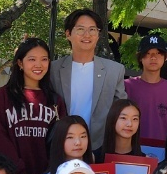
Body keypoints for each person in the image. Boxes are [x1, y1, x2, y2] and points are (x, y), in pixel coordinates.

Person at [0, 37, 65, 174]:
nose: (38, 65)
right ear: (20, 63)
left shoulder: (55, 101)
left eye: (44, 59)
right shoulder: (4, 96)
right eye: (32, 59)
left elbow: (61, 142)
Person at [51, 9, 127, 152]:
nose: (87, 35)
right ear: (68, 34)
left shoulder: (114, 70)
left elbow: (121, 111)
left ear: (98, 35)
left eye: (92, 30)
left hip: (100, 146)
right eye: (80, 29)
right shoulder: (53, 70)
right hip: (60, 145)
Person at [123, 33, 167, 145]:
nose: (153, 57)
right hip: (131, 148)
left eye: (159, 53)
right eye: (148, 53)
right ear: (140, 57)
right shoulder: (127, 86)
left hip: (163, 150)